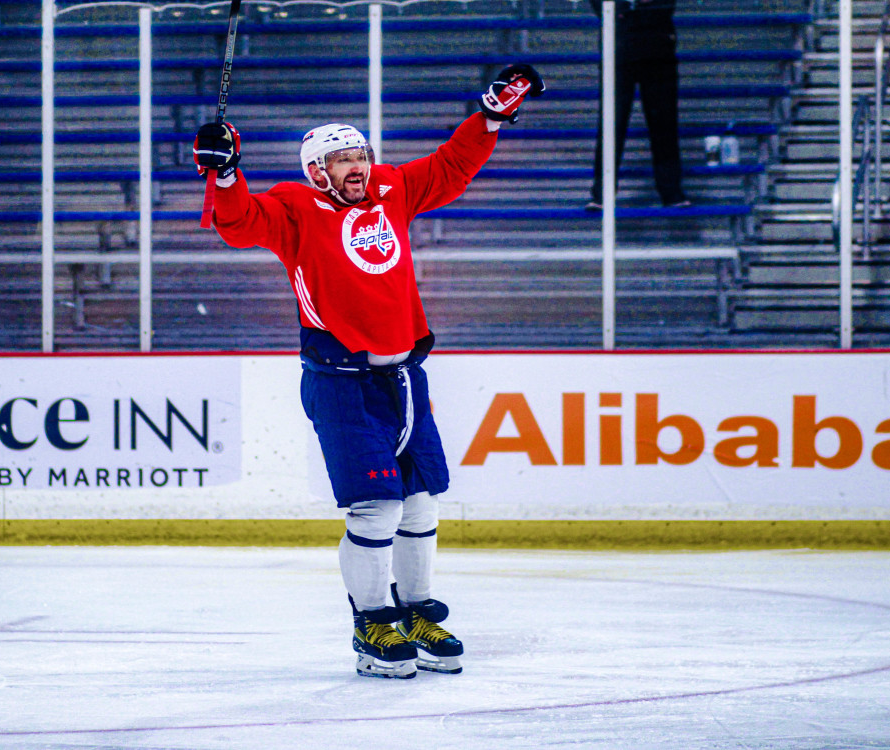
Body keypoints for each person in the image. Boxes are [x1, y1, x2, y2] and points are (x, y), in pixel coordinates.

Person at [193, 64, 545, 678]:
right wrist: (225, 173)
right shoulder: (294, 208)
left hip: (407, 375)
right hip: (341, 378)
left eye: (360, 154)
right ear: (316, 171)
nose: (355, 165)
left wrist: (490, 116)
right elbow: (237, 221)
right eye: (341, 159)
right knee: (376, 509)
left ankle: (416, 614)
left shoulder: (390, 189)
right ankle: (372, 626)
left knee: (419, 506)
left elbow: (450, 166)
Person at [586, 0, 690, 209]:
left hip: (657, 45)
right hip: (619, 45)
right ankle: (602, 193)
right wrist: (621, 10)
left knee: (663, 124)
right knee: (612, 124)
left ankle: (671, 191)